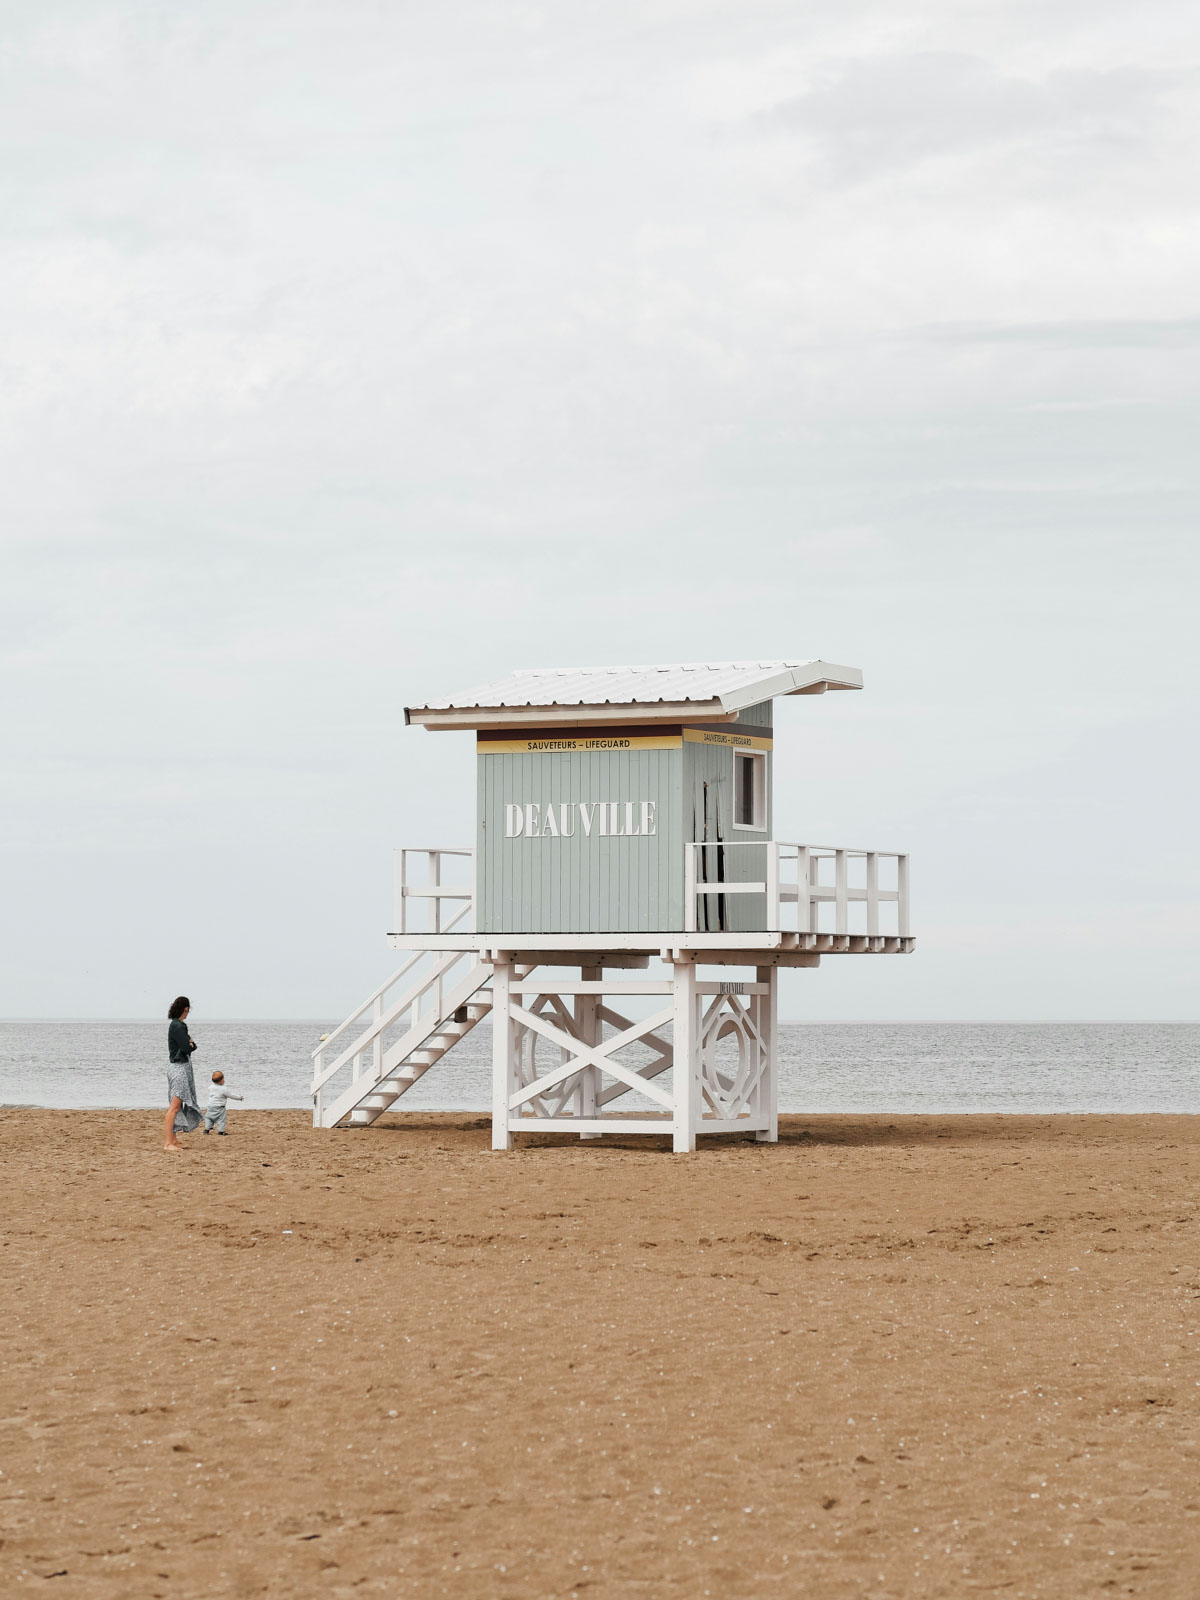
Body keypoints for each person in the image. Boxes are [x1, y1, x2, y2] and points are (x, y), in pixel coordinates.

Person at [163, 995, 203, 1153]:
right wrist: (191, 1045)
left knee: (176, 1105)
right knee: (174, 1106)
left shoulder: (177, 1025)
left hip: (180, 1067)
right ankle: (168, 1142)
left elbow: (189, 1044)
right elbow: (187, 1047)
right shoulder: (178, 1026)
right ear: (185, 1009)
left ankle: (173, 1139)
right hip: (178, 1068)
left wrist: (191, 1044)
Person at [203, 1071, 243, 1135]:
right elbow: (231, 1095)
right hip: (219, 1107)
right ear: (221, 1081)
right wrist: (239, 1098)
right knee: (221, 1119)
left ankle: (206, 1130)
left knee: (209, 1118)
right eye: (223, 1079)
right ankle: (221, 1131)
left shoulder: (211, 1087)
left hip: (210, 1106)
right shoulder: (224, 1089)